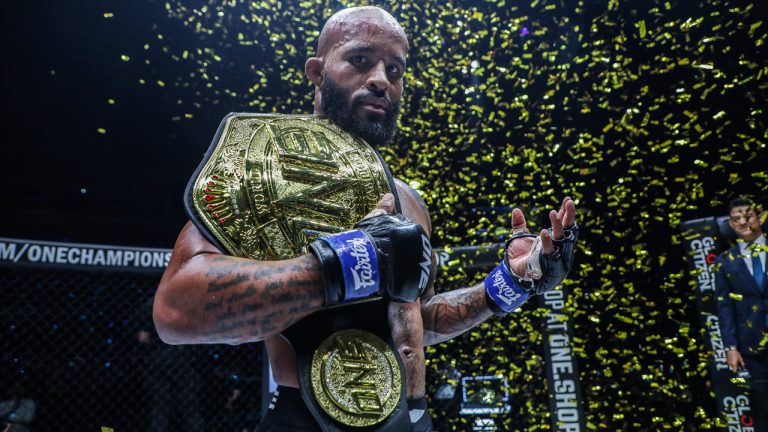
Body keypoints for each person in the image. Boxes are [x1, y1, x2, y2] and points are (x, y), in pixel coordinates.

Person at [153, 6, 578, 432]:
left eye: (395, 69)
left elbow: (415, 321)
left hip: (410, 418)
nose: (380, 80)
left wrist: (510, 283)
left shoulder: (408, 200)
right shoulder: (261, 166)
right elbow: (175, 311)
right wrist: (346, 261)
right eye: (360, 60)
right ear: (317, 72)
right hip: (305, 418)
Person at [715, 197, 767, 431]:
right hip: (752, 348)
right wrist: (731, 347)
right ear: (731, 224)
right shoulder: (724, 262)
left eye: (748, 215)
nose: (743, 222)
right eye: (737, 218)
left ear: (759, 218)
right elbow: (724, 308)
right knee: (762, 409)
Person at [136, 297, 204, 432]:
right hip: (177, 354)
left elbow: (143, 337)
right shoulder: (186, 300)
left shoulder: (155, 304)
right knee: (187, 404)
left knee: (162, 404)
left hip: (161, 355)